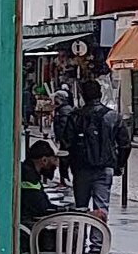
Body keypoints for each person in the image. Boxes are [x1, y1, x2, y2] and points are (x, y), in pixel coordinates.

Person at [68, 77, 125, 221]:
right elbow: (125, 144)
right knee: (101, 208)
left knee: (80, 209)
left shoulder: (75, 117)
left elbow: (67, 144)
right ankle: (99, 235)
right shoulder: (113, 116)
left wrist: (66, 168)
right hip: (104, 166)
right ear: (100, 94)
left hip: (81, 168)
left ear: (83, 96)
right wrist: (119, 164)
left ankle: (80, 233)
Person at [19, 138, 59, 224]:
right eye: (54, 160)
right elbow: (42, 208)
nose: (56, 165)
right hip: (28, 225)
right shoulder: (29, 177)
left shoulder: (29, 172)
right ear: (44, 160)